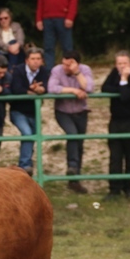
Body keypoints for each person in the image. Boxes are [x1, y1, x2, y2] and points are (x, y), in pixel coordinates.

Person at [48, 49, 94, 193]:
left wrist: (77, 73)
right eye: (64, 64)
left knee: (79, 143)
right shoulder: (57, 70)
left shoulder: (85, 70)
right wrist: (73, 91)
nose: (65, 67)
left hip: (81, 112)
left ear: (76, 64)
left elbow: (90, 88)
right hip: (63, 112)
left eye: (69, 65)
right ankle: (72, 166)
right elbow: (52, 88)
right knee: (72, 134)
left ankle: (75, 180)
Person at [100, 51, 130, 200]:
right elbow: (105, 88)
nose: (122, 66)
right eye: (119, 63)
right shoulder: (113, 74)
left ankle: (129, 188)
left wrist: (124, 80)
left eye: (124, 63)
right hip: (115, 121)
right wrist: (123, 87)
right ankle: (114, 190)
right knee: (115, 157)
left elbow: (124, 97)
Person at [8, 47, 49, 176]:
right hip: (18, 110)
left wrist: (41, 90)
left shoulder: (45, 71)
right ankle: (24, 165)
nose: (35, 62)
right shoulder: (18, 70)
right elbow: (15, 88)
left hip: (35, 111)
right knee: (27, 133)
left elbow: (48, 86)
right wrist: (30, 90)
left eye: (38, 59)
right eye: (33, 59)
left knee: (33, 136)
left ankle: (27, 165)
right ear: (27, 60)